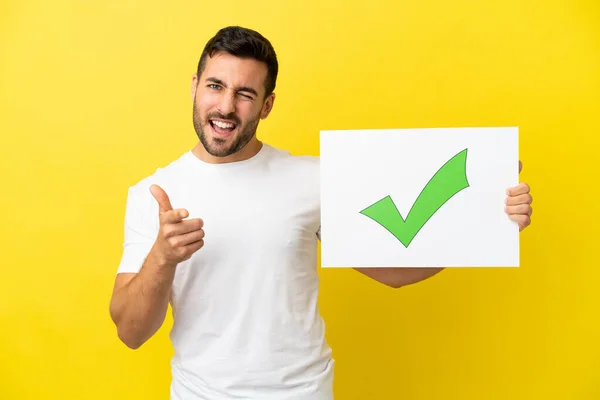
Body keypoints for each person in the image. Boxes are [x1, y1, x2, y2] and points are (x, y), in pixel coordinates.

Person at [109, 26, 534, 400]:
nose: (225, 107)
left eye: (245, 94)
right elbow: (131, 332)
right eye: (215, 86)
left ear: (267, 105)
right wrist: (162, 257)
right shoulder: (154, 193)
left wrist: (485, 220)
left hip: (303, 393)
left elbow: (394, 271)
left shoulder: (314, 178)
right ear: (195, 85)